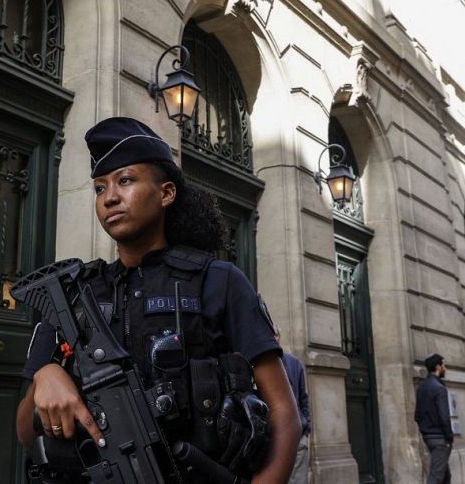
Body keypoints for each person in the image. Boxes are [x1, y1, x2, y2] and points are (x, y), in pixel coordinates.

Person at [15, 117, 300, 482]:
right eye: (100, 189)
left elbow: (283, 410)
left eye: (126, 180)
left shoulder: (218, 281)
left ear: (166, 193)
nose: (110, 197)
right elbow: (25, 431)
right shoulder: (72, 294)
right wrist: (44, 377)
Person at [275, 328, 311, 484]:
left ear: (279, 336)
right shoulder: (258, 364)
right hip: (273, 440)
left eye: (275, 334)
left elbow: (304, 398)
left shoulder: (294, 363)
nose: (272, 338)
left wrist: (306, 428)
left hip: (298, 438)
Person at [415, 353, 453, 484]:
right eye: (444, 365)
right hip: (440, 439)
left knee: (445, 476)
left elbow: (417, 416)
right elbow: (444, 417)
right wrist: (449, 438)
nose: (445, 368)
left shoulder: (421, 388)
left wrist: (425, 432)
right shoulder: (440, 389)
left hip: (428, 437)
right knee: (436, 476)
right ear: (438, 367)